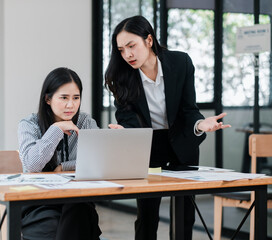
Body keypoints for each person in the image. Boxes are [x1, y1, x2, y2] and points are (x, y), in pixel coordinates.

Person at [105, 15, 231, 240]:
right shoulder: (122, 76)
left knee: (185, 213)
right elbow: (128, 118)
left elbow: (189, 109)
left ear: (149, 40)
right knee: (147, 214)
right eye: (121, 50)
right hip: (148, 144)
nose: (127, 55)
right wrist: (126, 134)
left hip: (182, 140)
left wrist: (201, 124)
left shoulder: (180, 63)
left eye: (131, 46)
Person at [18, 67, 101, 240]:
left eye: (76, 98)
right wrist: (55, 130)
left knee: (80, 210)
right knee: (67, 226)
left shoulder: (85, 122)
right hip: (39, 204)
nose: (71, 105)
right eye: (64, 98)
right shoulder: (29, 124)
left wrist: (64, 166)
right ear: (48, 99)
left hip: (78, 200)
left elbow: (98, 160)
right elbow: (32, 165)